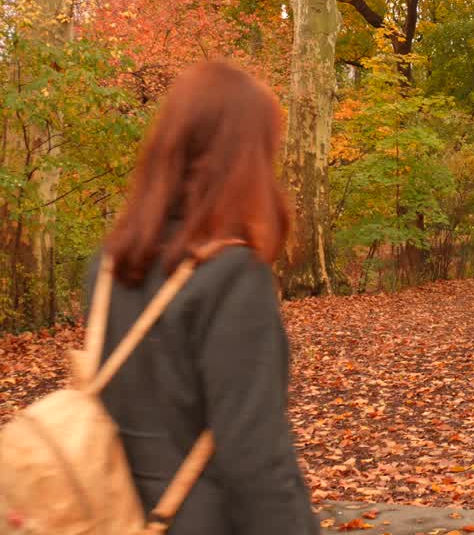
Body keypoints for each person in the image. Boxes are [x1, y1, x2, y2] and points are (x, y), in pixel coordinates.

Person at [83, 61, 317, 535]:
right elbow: (256, 463)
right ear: (247, 159)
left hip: (109, 516)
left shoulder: (108, 267)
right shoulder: (231, 278)